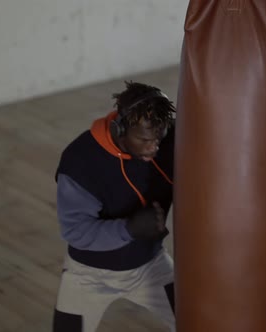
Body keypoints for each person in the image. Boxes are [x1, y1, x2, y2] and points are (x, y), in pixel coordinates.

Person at [52, 81, 177, 332]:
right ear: (118, 128)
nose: (153, 147)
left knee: (203, 323)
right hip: (88, 276)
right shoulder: (80, 162)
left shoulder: (169, 141)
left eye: (158, 137)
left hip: (151, 266)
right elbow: (76, 231)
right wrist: (128, 229)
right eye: (144, 139)